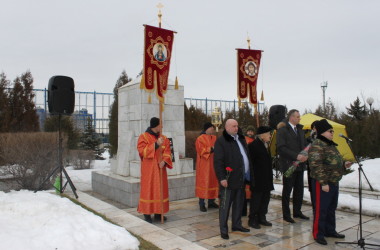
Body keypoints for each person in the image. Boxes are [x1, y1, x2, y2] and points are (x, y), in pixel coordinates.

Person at [309, 119, 353, 245]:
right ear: (322, 132)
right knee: (321, 209)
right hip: (323, 183)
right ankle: (318, 234)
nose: (332, 133)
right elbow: (316, 166)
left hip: (333, 181)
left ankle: (330, 230)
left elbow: (334, 161)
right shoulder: (317, 145)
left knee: (330, 208)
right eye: (330, 131)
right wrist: (323, 183)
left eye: (332, 131)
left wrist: (344, 165)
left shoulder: (330, 144)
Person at [214, 119, 251, 240]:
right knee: (225, 206)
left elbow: (245, 155)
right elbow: (218, 161)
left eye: (237, 126)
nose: (236, 128)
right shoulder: (221, 141)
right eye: (234, 126)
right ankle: (223, 230)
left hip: (241, 178)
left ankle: (236, 224)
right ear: (227, 127)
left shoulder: (240, 138)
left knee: (239, 203)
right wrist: (222, 178)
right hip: (228, 180)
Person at [137, 117, 173, 223]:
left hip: (160, 170)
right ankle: (147, 213)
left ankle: (158, 213)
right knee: (149, 190)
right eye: (160, 125)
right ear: (156, 126)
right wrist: (156, 144)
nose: (162, 126)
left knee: (160, 191)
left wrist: (165, 161)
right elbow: (142, 151)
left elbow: (168, 151)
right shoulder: (143, 137)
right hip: (149, 170)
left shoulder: (164, 138)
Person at [277, 109, 309, 223]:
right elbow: (281, 148)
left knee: (299, 190)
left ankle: (297, 211)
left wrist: (305, 155)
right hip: (288, 166)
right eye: (297, 116)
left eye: (299, 116)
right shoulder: (283, 130)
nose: (299, 118)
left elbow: (304, 145)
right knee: (287, 190)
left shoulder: (300, 130)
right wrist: (296, 156)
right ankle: (286, 214)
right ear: (291, 117)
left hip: (300, 166)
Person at [248, 126, 274, 229]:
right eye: (268, 134)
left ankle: (262, 217)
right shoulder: (253, 146)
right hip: (258, 178)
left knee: (265, 199)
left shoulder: (266, 145)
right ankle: (252, 219)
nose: (270, 136)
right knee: (256, 200)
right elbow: (251, 164)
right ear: (262, 135)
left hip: (266, 178)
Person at [195, 122, 219, 212]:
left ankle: (211, 201)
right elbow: (200, 150)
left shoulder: (215, 138)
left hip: (213, 164)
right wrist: (211, 149)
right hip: (204, 165)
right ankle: (202, 203)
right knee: (204, 183)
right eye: (211, 128)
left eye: (213, 128)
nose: (212, 129)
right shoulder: (200, 139)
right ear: (207, 129)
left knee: (213, 182)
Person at [242, 125, 255, 216]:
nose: (250, 133)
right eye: (249, 131)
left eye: (252, 131)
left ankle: (250, 197)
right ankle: (245, 199)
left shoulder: (255, 141)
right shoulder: (244, 140)